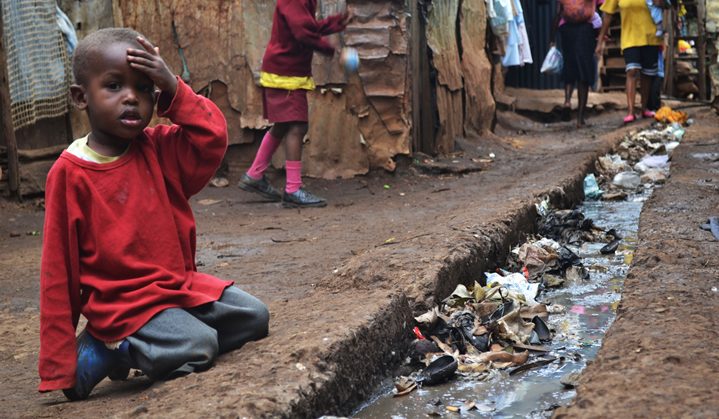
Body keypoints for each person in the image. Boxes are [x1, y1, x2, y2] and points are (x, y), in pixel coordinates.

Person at [39, 28, 270, 401]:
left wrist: (173, 87)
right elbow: (57, 271)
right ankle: (110, 347)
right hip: (124, 304)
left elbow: (212, 137)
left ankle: (147, 342)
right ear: (81, 98)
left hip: (177, 288)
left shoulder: (158, 148)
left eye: (145, 88)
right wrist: (58, 362)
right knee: (199, 346)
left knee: (254, 317)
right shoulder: (70, 174)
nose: (131, 98)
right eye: (113, 86)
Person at [238, 0, 351, 208]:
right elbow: (302, 33)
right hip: (285, 73)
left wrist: (330, 25)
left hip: (284, 70)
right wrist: (330, 50)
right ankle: (292, 189)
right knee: (297, 126)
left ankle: (254, 175)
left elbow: (303, 26)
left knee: (283, 124)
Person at [596, 0, 665, 124]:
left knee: (647, 74)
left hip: (651, 37)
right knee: (632, 71)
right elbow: (607, 14)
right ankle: (630, 111)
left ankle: (644, 108)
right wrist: (600, 40)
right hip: (630, 38)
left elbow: (665, 5)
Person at [551, 0, 603, 127]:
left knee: (570, 66)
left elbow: (559, 12)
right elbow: (604, 8)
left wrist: (551, 38)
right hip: (585, 29)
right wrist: (601, 35)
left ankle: (567, 101)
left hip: (566, 29)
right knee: (583, 72)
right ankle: (580, 119)